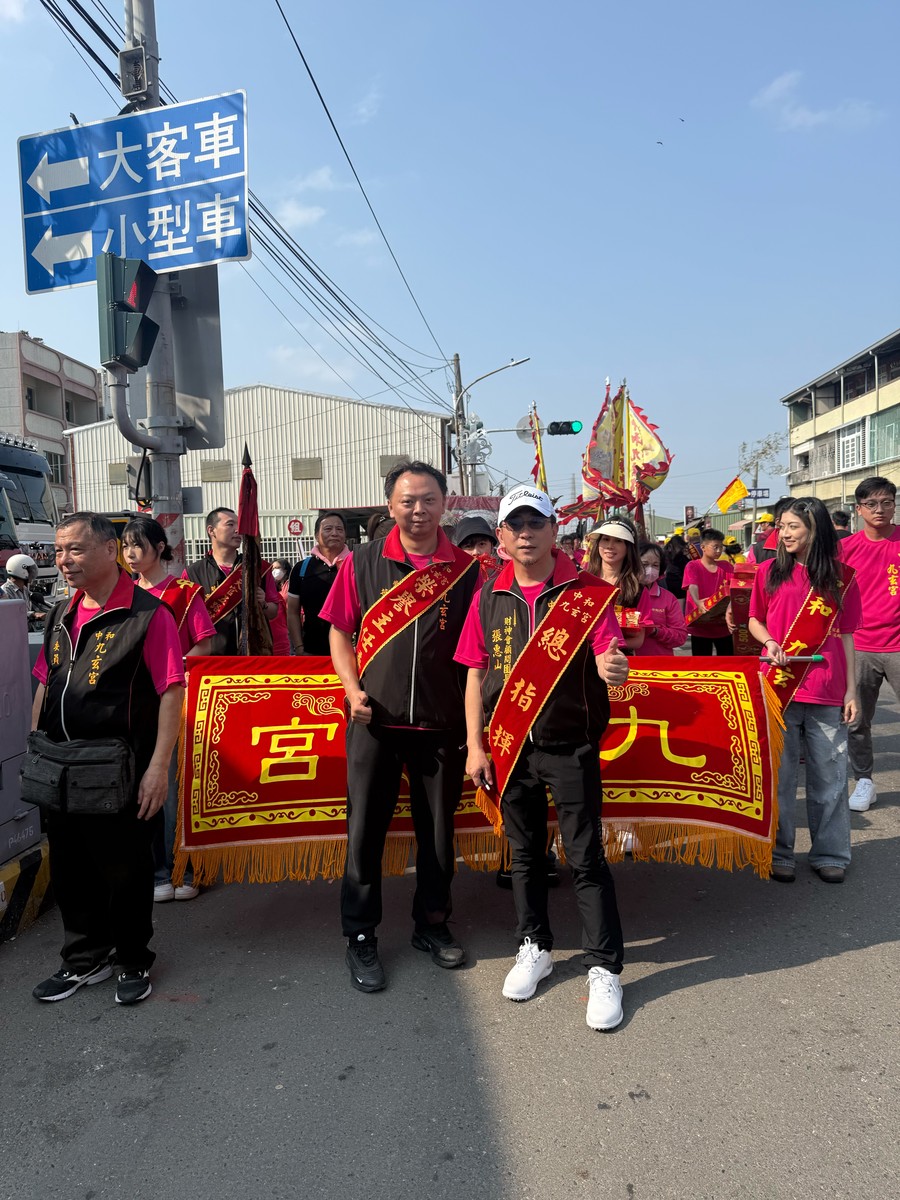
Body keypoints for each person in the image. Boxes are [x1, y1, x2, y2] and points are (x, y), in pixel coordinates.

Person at [456, 485, 630, 1031]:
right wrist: (477, 744)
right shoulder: (488, 597)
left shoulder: (586, 593)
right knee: (524, 856)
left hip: (570, 744)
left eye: (537, 523)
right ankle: (534, 945)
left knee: (584, 857)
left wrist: (611, 666)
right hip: (510, 748)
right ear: (502, 537)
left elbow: (609, 649)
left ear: (556, 531)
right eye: (516, 525)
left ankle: (604, 967)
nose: (526, 533)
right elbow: (475, 671)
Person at [321, 462, 480, 993]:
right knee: (364, 830)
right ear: (389, 506)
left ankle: (432, 924)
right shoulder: (362, 562)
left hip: (442, 723)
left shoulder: (466, 569)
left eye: (429, 499)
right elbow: (340, 633)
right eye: (408, 500)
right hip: (375, 721)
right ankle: (360, 934)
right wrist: (350, 690)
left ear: (445, 503)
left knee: (437, 835)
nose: (418, 510)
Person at [31, 513, 185, 1006]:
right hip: (59, 764)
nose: (64, 561)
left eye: (74, 549)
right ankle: (83, 960)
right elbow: (46, 682)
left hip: (118, 765)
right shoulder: (61, 613)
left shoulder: (148, 616)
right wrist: (37, 743)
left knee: (125, 869)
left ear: (110, 549)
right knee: (72, 868)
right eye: (59, 551)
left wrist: (159, 766)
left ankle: (133, 958)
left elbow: (170, 692)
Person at [748, 498, 860, 883]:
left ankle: (831, 852)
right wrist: (768, 642)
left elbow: (847, 637)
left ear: (815, 529)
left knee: (829, 777)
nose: (785, 533)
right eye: (782, 526)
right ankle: (780, 852)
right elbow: (754, 620)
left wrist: (851, 692)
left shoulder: (843, 577)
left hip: (827, 690)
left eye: (793, 526)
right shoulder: (767, 572)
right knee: (779, 778)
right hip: (780, 687)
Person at [122, 515, 215, 904]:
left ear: (160, 547)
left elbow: (204, 646)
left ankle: (185, 868)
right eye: (124, 545)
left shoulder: (183, 593)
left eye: (137, 544)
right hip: (131, 707)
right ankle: (157, 870)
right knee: (139, 787)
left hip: (174, 703)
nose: (129, 553)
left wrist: (168, 676)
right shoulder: (122, 594)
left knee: (175, 789)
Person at [839, 477, 900, 812]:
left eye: (887, 502)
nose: (881, 510)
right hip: (859, 646)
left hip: (898, 644)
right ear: (859, 509)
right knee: (857, 719)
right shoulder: (845, 548)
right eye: (872, 504)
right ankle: (864, 781)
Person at [185, 507, 279, 655]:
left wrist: (263, 604)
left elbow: (274, 612)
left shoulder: (258, 568)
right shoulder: (193, 573)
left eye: (239, 525)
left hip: (253, 655)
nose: (238, 530)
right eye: (230, 524)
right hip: (212, 657)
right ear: (211, 530)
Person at [287, 512, 349, 656]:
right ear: (316, 535)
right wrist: (299, 648)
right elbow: (292, 612)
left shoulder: (357, 565)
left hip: (350, 652)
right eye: (328, 529)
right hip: (311, 652)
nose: (334, 533)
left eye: (339, 529)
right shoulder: (302, 569)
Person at [585, 517, 649, 652]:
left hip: (617, 662)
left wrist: (604, 646)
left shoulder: (638, 591)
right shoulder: (583, 582)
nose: (610, 546)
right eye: (606, 539)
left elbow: (638, 640)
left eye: (618, 540)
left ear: (628, 547)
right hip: (582, 661)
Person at [683, 528, 734, 655]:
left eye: (721, 547)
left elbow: (734, 588)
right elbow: (692, 586)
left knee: (727, 663)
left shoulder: (726, 566)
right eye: (715, 547)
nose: (719, 550)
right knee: (702, 664)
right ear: (703, 547)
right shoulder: (693, 566)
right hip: (700, 624)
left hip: (723, 625)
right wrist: (698, 601)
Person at [634, 542, 687, 655]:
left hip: (660, 665)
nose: (650, 570)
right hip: (628, 665)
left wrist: (655, 631)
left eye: (655, 565)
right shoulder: (622, 595)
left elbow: (680, 636)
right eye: (644, 564)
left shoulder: (668, 598)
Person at [268, 557, 293, 654]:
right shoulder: (272, 587)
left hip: (288, 626)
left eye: (277, 568)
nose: (274, 571)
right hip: (277, 630)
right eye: (272, 569)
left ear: (285, 570)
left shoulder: (290, 584)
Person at [663, 534, 690, 600]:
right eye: (680, 547)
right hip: (675, 586)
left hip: (679, 586)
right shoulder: (667, 557)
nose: (682, 549)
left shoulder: (682, 557)